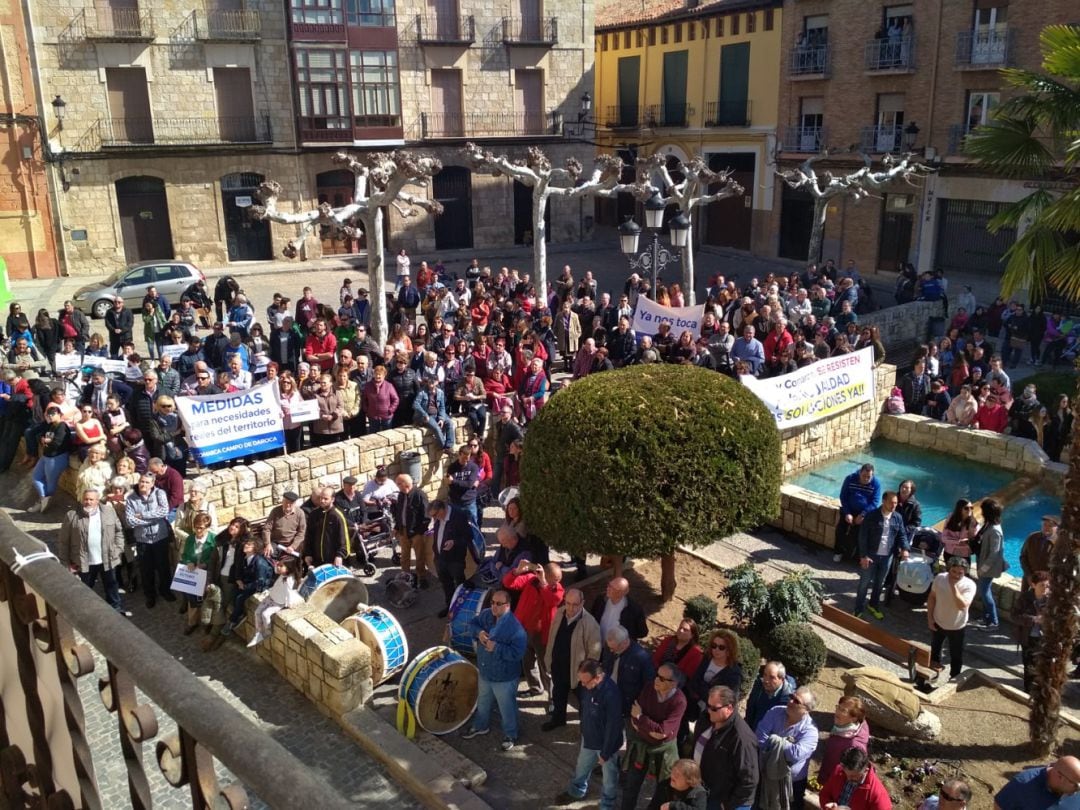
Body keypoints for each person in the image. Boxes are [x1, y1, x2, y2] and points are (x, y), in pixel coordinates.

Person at [461, 588, 527, 752]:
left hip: (504, 678)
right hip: (485, 672)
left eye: (499, 604)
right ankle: (480, 726)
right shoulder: (486, 615)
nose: (494, 607)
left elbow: (517, 653)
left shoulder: (516, 629)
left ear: (508, 605)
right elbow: (473, 624)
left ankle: (510, 734)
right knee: (483, 702)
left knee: (507, 708)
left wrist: (496, 647)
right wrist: (479, 633)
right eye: (492, 603)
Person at [554, 658, 624, 809]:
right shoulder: (588, 686)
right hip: (589, 739)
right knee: (581, 767)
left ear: (598, 677)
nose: (583, 686)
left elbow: (613, 726)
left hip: (606, 745)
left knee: (609, 779)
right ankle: (576, 791)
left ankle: (607, 804)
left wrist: (605, 753)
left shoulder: (611, 695)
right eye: (581, 681)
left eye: (586, 682)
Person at [621, 663, 688, 810]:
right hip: (642, 745)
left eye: (663, 679)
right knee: (630, 786)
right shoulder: (648, 688)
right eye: (657, 675)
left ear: (673, 683)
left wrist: (641, 717)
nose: (657, 680)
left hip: (663, 751)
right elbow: (634, 719)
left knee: (663, 791)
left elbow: (662, 732)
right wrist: (647, 727)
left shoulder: (679, 701)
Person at [58, 488, 130, 616]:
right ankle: (85, 612)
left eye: (91, 499)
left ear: (97, 501)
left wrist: (118, 549)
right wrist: (66, 563)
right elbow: (64, 541)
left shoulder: (108, 511)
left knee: (111, 585)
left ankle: (116, 608)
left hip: (107, 558)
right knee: (85, 588)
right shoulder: (72, 515)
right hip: (84, 561)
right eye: (86, 499)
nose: (88, 502)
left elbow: (119, 531)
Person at [543, 587, 601, 731]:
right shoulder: (560, 613)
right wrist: (548, 658)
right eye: (568, 603)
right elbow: (552, 637)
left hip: (578, 672)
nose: (570, 607)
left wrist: (587, 675)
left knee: (584, 701)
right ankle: (558, 719)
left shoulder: (590, 623)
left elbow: (594, 652)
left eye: (575, 604)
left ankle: (585, 728)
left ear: (582, 603)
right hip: (558, 666)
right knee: (558, 694)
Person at [502, 560, 563, 698]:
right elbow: (508, 583)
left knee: (546, 666)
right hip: (523, 629)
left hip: (541, 634)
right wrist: (517, 571)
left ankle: (553, 697)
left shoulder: (556, 588)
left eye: (559, 578)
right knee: (527, 661)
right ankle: (535, 688)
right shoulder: (530, 580)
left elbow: (553, 600)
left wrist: (544, 583)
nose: (558, 581)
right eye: (555, 578)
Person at [694, 685, 759, 810]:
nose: (709, 710)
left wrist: (728, 805)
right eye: (708, 705)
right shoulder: (707, 719)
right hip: (705, 791)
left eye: (714, 708)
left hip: (725, 801)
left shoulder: (742, 739)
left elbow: (749, 780)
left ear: (729, 708)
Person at [755, 686, 819, 809]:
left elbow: (794, 755)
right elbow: (759, 738)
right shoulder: (775, 711)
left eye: (797, 701)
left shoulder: (810, 732)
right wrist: (786, 743)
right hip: (764, 773)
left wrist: (774, 740)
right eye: (791, 697)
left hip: (790, 784)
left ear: (807, 710)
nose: (790, 702)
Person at [854, 490, 910, 620]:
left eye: (896, 503)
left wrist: (905, 548)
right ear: (883, 501)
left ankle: (873, 605)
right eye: (891, 502)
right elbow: (863, 537)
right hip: (870, 556)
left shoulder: (897, 517)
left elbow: (902, 535)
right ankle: (858, 608)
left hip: (887, 557)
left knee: (880, 583)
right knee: (864, 583)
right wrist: (863, 556)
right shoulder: (871, 516)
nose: (893, 505)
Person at [125, 473, 174, 609]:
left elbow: (164, 511)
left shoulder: (160, 494)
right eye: (142, 482)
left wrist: (143, 515)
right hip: (143, 539)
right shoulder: (131, 499)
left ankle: (165, 590)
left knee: (163, 567)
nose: (143, 484)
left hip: (160, 537)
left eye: (147, 482)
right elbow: (130, 520)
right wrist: (152, 518)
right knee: (146, 570)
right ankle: (150, 595)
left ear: (152, 484)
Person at [927, 556, 977, 681]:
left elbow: (962, 605)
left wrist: (953, 586)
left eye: (960, 573)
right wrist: (930, 618)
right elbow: (932, 597)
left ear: (965, 572)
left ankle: (954, 679)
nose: (956, 575)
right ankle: (931, 677)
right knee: (935, 651)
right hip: (938, 622)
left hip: (957, 627)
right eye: (953, 572)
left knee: (956, 655)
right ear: (949, 569)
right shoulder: (940, 578)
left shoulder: (969, 585)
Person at [686, 630, 742, 738]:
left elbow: (727, 700)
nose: (716, 650)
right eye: (714, 645)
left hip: (713, 712)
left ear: (729, 651)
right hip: (695, 703)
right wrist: (708, 690)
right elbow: (694, 682)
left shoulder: (733, 674)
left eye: (721, 647)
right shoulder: (707, 659)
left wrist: (703, 687)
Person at [429, 499, 479, 618]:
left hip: (455, 559)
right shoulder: (438, 518)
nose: (434, 518)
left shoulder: (459, 515)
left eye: (435, 515)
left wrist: (454, 542)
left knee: (460, 584)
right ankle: (449, 607)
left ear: (443, 509)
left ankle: (462, 609)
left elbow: (469, 536)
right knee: (446, 584)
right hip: (440, 558)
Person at [248, 554, 303, 647]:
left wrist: (289, 604)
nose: (278, 567)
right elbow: (275, 569)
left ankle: (267, 632)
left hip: (278, 603)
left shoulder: (289, 579)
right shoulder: (282, 574)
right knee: (257, 612)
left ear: (289, 568)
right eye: (279, 565)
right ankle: (258, 633)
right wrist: (276, 563)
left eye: (281, 566)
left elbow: (288, 592)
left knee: (265, 614)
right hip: (270, 597)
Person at [601, 625, 656, 717]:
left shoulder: (642, 658)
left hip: (626, 704)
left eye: (614, 648)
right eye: (609, 647)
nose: (611, 651)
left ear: (625, 642)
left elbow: (648, 685)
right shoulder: (611, 646)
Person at [178, 511, 217, 635]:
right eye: (196, 527)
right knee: (192, 599)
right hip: (193, 573)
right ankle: (192, 622)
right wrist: (188, 561)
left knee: (207, 599)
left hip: (207, 573)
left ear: (207, 528)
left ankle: (207, 623)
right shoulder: (190, 538)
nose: (198, 531)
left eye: (201, 528)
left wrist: (205, 564)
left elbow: (215, 558)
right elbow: (184, 555)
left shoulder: (213, 540)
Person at [1012, 570, 1051, 693]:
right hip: (1028, 638)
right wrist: (1034, 620)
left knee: (1045, 667)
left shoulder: (1051, 600)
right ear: (1033, 585)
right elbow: (1014, 616)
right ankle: (1028, 691)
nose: (1045, 588)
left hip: (1045, 640)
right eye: (1042, 585)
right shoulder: (1025, 598)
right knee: (1029, 666)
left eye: (1047, 585)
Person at [834, 463, 882, 563]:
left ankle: (855, 556)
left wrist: (863, 514)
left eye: (868, 477)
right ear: (860, 472)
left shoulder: (876, 483)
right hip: (849, 510)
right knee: (840, 531)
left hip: (864, 514)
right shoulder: (850, 479)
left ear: (872, 475)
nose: (866, 479)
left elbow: (875, 502)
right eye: (864, 476)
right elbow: (843, 496)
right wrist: (847, 513)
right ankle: (838, 552)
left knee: (857, 536)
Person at [819, 746, 891, 810]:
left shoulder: (877, 794)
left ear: (866, 770)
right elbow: (824, 794)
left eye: (853, 776)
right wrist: (828, 804)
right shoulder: (839, 770)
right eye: (845, 774)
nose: (848, 779)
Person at [994, 756, 1080, 809]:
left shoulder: (1073, 784)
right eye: (1076, 785)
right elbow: (1000, 806)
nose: (1078, 789)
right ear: (1060, 777)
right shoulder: (1023, 784)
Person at [30, 405, 72, 512]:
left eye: (53, 414)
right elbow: (41, 436)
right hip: (46, 455)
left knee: (50, 482)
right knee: (36, 476)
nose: (51, 416)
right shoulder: (50, 425)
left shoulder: (62, 426)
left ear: (59, 414)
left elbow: (58, 442)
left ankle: (43, 502)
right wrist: (43, 440)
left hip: (56, 457)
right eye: (49, 414)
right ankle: (43, 499)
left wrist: (48, 441)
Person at [820, 695, 870, 785]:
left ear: (853, 718)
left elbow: (854, 773)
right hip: (828, 776)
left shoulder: (854, 745)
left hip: (836, 784)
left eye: (843, 711)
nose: (837, 712)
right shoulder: (841, 727)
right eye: (838, 707)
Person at [394, 473, 431, 586]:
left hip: (417, 532)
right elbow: (399, 513)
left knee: (420, 556)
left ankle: (422, 577)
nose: (397, 486)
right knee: (404, 556)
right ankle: (406, 576)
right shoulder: (401, 495)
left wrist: (419, 532)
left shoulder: (420, 495)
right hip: (404, 531)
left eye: (398, 484)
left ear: (405, 484)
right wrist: (397, 527)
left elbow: (426, 516)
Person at [974, 497, 1005, 630]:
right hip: (983, 565)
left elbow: (994, 553)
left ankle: (993, 622)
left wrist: (983, 569)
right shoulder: (989, 525)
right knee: (984, 591)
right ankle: (986, 618)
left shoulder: (995, 531)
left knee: (985, 593)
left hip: (987, 568)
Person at [303, 485, 351, 569]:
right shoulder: (313, 515)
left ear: (332, 499)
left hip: (333, 561)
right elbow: (308, 536)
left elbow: (344, 539)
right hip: (316, 561)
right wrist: (308, 554)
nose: (322, 501)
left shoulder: (337, 516)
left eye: (325, 499)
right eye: (321, 498)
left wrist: (340, 555)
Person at [744, 661, 797, 731]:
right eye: (765, 675)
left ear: (782, 679)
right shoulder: (759, 687)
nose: (766, 680)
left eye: (772, 677)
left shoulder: (789, 698)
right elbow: (750, 712)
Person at [591, 576, 648, 641]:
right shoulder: (600, 600)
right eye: (609, 585)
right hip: (598, 642)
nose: (608, 589)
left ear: (623, 593)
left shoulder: (634, 609)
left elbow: (642, 632)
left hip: (617, 649)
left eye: (613, 589)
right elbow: (592, 617)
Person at [652, 618, 705, 684]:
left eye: (685, 630)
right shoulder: (668, 641)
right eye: (680, 628)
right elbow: (656, 659)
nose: (681, 631)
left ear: (692, 635)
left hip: (675, 683)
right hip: (657, 674)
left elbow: (687, 676)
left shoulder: (695, 653)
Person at [414, 376, 455, 451]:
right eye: (429, 382)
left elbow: (442, 407)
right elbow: (416, 404)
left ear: (437, 382)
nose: (431, 384)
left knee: (449, 423)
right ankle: (444, 447)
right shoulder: (422, 392)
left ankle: (449, 446)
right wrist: (424, 414)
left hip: (437, 413)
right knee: (436, 428)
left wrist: (441, 418)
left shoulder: (440, 392)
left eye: (433, 382)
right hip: (427, 415)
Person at [261, 491, 306, 558]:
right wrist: (268, 544)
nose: (288, 505)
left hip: (292, 543)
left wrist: (293, 546)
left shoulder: (300, 513)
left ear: (294, 503)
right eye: (286, 502)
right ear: (282, 501)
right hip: (277, 543)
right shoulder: (275, 511)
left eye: (290, 503)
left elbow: (301, 533)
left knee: (296, 558)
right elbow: (267, 529)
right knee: (267, 555)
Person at [1020, 515, 1059, 593]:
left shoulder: (1059, 544)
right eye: (1044, 524)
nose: (1046, 527)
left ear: (1056, 528)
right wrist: (1028, 574)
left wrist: (1048, 575)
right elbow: (1023, 557)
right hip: (1028, 577)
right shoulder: (1032, 537)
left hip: (1045, 582)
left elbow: (1060, 566)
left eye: (1050, 526)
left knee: (1041, 602)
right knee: (1023, 599)